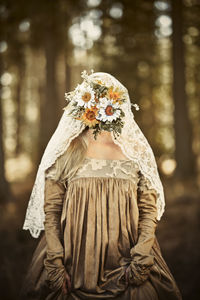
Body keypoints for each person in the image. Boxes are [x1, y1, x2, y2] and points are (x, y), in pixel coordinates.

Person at [20, 71, 182, 299]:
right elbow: (52, 210)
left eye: (109, 100)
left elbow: (148, 210)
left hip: (127, 262)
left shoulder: (135, 151)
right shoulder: (67, 151)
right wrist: (55, 260)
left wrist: (142, 257)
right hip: (74, 262)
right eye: (93, 100)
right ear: (83, 106)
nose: (100, 107)